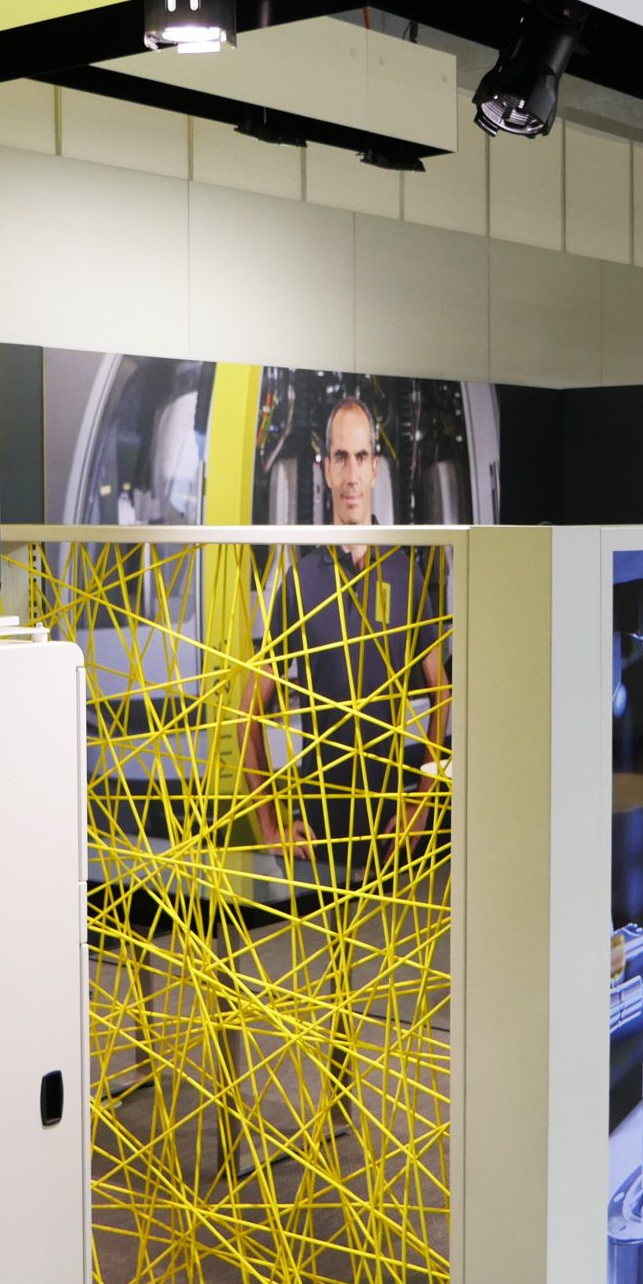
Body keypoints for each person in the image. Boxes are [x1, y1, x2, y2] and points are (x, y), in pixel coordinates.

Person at [228, 393, 450, 1208]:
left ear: (376, 468)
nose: (352, 474)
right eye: (340, 458)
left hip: (390, 832)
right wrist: (267, 817)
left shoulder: (409, 570)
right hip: (320, 828)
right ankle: (328, 1114)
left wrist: (422, 797)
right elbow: (251, 708)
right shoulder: (297, 577)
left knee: (389, 991)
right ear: (323, 470)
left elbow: (442, 693)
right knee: (317, 980)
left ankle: (362, 1119)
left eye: (363, 457)